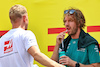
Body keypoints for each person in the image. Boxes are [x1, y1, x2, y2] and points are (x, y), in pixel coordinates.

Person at [0, 4, 65, 67]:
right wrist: (58, 66)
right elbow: (36, 54)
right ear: (25, 18)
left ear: (11, 21)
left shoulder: (1, 40)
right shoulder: (25, 34)